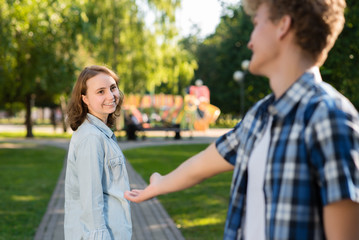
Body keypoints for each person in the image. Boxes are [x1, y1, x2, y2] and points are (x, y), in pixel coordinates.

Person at [125, 0, 359, 239]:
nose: (250, 41)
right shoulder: (260, 115)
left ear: (283, 27)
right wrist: (160, 184)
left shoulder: (329, 117)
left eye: (257, 23)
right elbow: (202, 164)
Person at [65, 65, 132, 239]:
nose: (111, 96)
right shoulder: (91, 138)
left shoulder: (99, 132)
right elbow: (91, 200)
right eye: (100, 92)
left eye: (112, 88)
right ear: (85, 99)